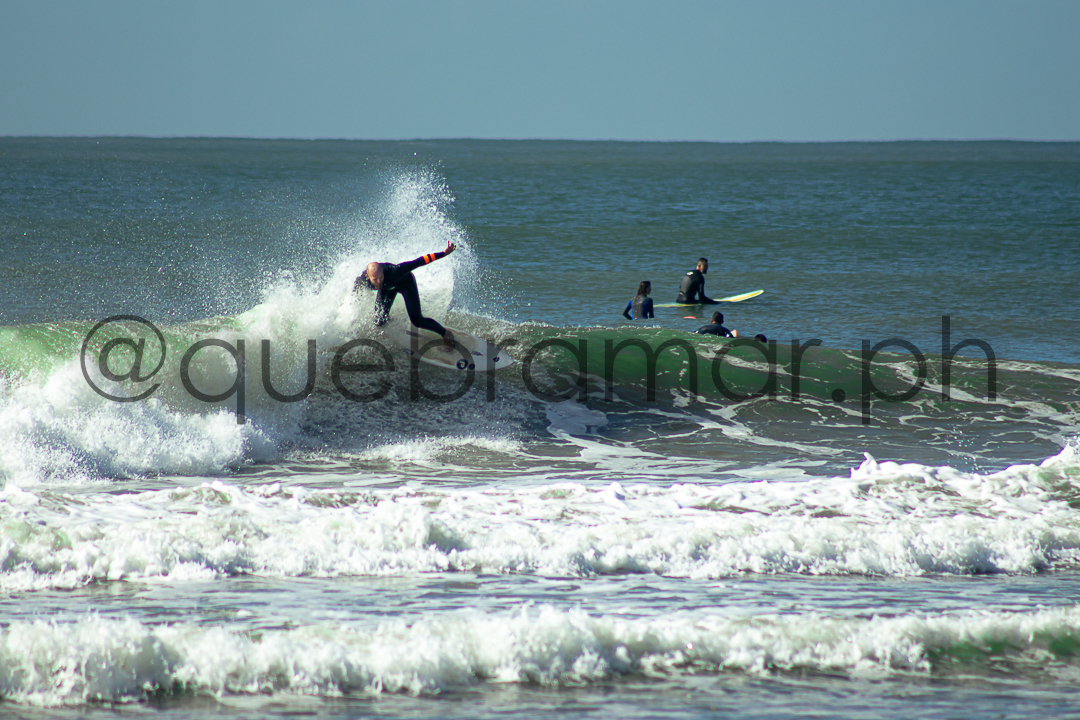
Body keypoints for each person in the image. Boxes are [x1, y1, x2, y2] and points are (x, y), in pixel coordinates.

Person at [354, 241, 457, 347]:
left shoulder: (395, 271)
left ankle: (445, 333)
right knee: (379, 320)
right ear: (368, 276)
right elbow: (354, 293)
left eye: (381, 277)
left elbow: (419, 261)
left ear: (383, 272)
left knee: (417, 320)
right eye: (375, 279)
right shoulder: (363, 281)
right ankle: (391, 322)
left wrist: (443, 253)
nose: (379, 281)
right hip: (387, 289)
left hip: (406, 284)